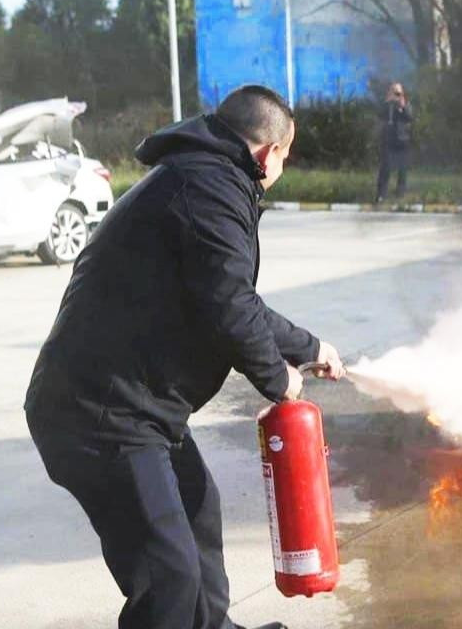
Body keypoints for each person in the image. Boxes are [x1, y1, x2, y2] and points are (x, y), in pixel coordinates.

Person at [24, 85, 345, 629]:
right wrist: (278, 380)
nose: (282, 166)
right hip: (99, 414)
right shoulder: (209, 189)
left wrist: (309, 348)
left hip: (141, 407)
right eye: (286, 157)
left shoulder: (205, 179)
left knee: (198, 516)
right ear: (269, 153)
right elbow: (228, 306)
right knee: (167, 570)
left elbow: (228, 296)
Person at [375, 82, 413, 202]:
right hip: (388, 140)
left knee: (402, 169)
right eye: (394, 92)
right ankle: (381, 195)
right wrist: (387, 101)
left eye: (399, 93)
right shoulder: (387, 105)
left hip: (402, 140)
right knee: (385, 168)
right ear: (390, 92)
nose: (397, 95)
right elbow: (379, 115)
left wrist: (403, 107)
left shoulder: (405, 104)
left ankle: (400, 193)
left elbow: (410, 117)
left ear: (402, 93)